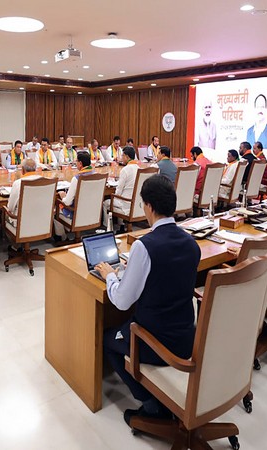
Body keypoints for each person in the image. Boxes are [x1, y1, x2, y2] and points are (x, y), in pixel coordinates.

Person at [96, 174, 201, 425]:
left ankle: (152, 405)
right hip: (186, 336)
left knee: (108, 339)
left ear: (149, 206)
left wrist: (111, 276)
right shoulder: (191, 243)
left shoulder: (145, 247)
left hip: (155, 340)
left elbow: (122, 301)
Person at [53, 152, 95, 240]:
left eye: (76, 161)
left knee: (55, 209)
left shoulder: (77, 179)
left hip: (77, 215)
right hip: (93, 213)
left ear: (80, 164)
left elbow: (67, 202)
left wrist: (63, 196)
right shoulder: (96, 175)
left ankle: (63, 238)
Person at [103, 147, 139, 228]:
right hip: (135, 204)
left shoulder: (125, 170)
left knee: (106, 203)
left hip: (125, 204)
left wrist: (113, 194)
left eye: (122, 155)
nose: (121, 157)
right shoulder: (139, 168)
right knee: (119, 197)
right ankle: (121, 225)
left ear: (127, 156)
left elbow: (118, 191)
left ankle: (106, 227)